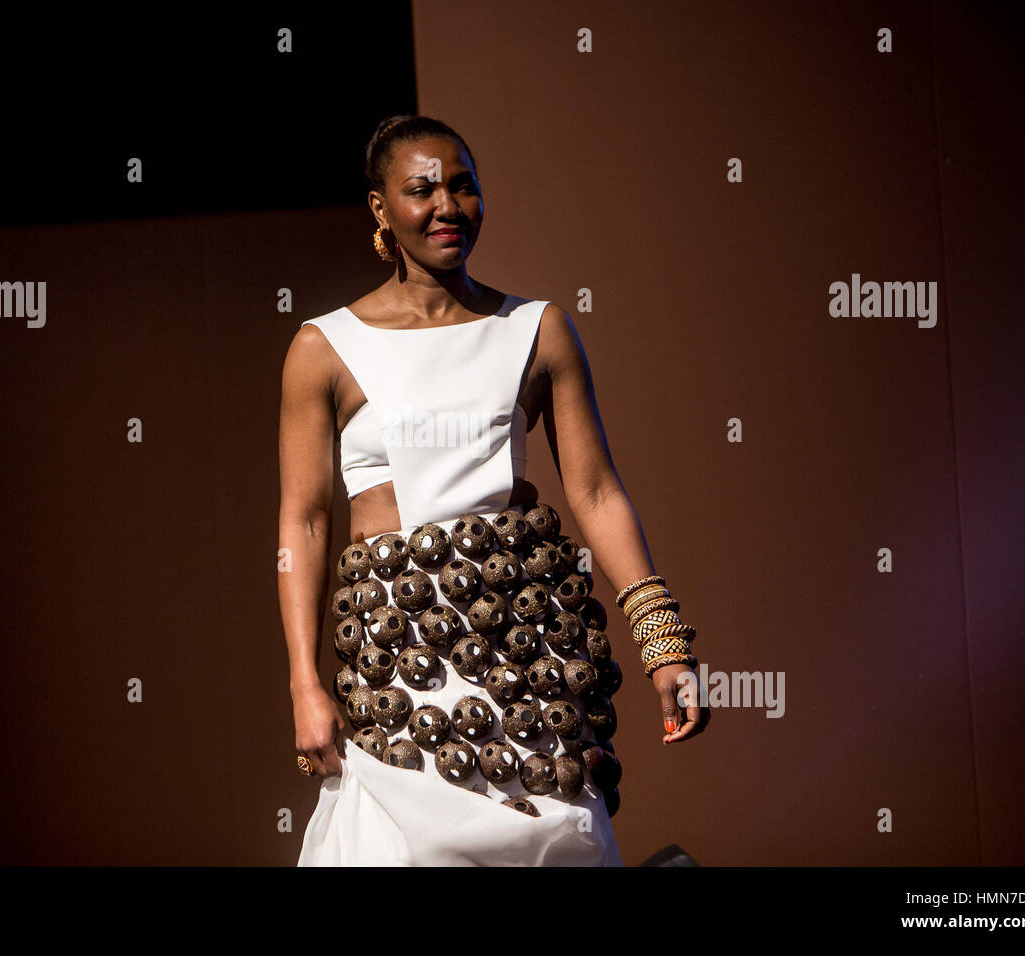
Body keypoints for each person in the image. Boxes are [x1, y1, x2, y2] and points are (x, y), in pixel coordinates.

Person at [279, 115, 707, 866]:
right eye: (422, 190)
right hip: (397, 665)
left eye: (463, 185)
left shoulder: (534, 329)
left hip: (524, 651)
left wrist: (660, 639)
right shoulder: (325, 347)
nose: (447, 205)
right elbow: (306, 521)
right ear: (380, 209)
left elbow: (597, 492)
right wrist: (303, 682)